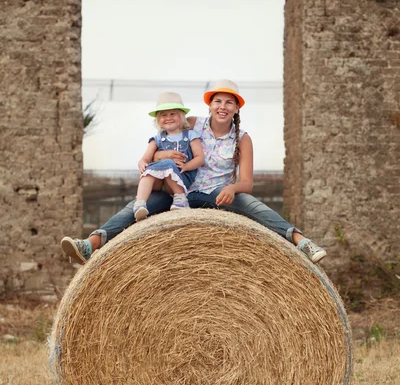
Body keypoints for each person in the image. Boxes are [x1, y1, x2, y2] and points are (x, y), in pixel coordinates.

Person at [61, 79, 326, 265]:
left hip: (215, 194)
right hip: (180, 192)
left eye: (229, 103)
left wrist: (232, 188)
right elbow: (158, 144)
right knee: (135, 208)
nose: (223, 106)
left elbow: (247, 183)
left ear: (236, 108)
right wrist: (163, 155)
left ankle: (301, 241)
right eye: (217, 101)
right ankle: (90, 245)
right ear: (209, 105)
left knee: (253, 206)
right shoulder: (193, 124)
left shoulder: (242, 139)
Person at [133, 92, 204, 221]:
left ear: (181, 116)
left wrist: (187, 166)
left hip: (183, 179)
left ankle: (181, 198)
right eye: (163, 115)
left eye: (173, 114)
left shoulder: (191, 135)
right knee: (148, 171)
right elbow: (145, 158)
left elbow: (200, 157)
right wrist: (142, 163)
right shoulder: (157, 139)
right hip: (161, 182)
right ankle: (140, 204)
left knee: (169, 164)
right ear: (158, 121)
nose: (168, 118)